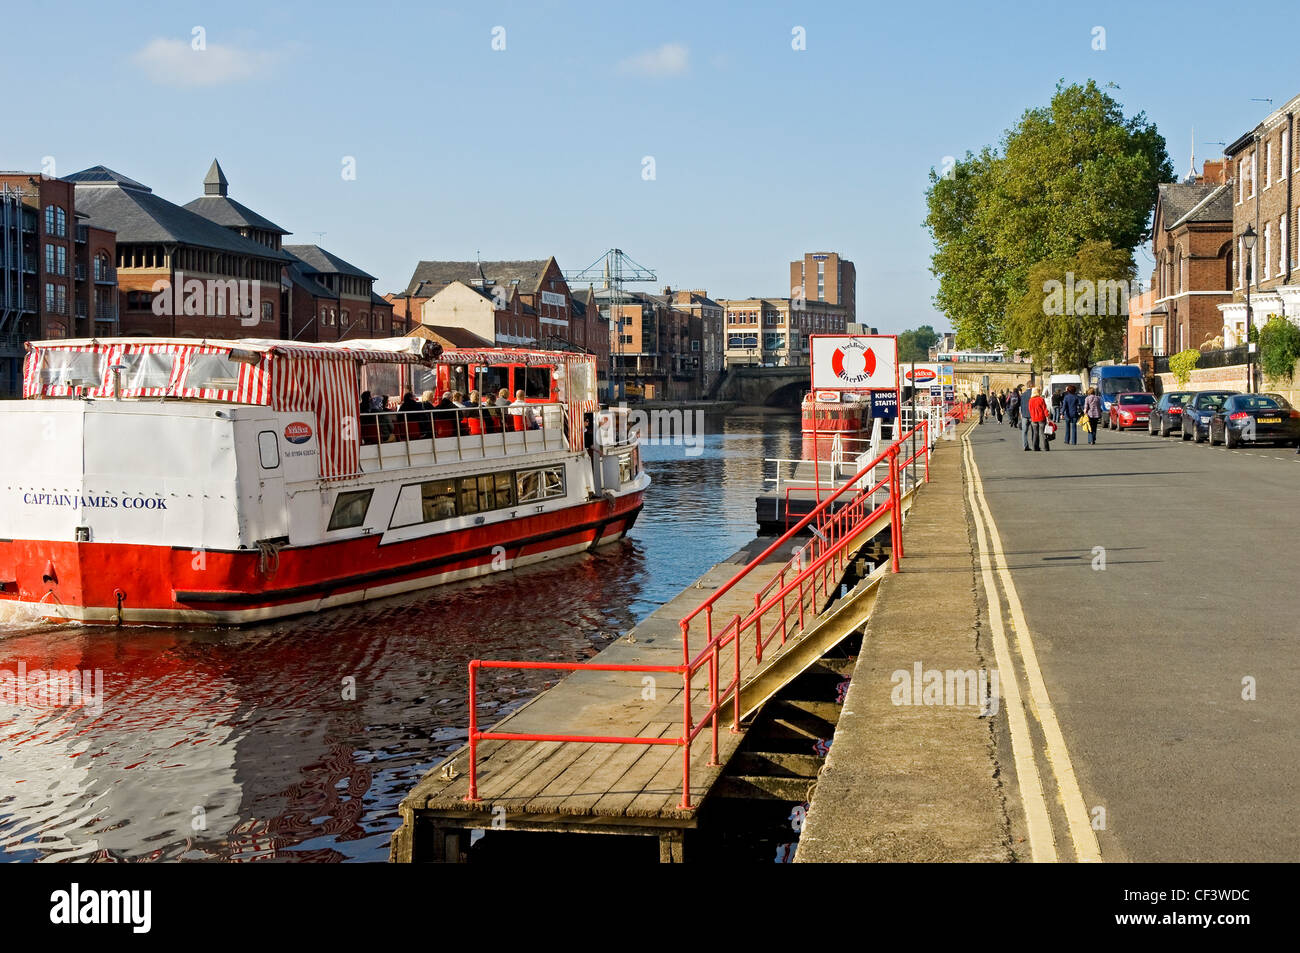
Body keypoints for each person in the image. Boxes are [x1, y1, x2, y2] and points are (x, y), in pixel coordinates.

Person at [1026, 386, 1049, 451]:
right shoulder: (1041, 399)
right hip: (1041, 418)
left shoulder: (1030, 400)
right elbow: (1044, 409)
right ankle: (1046, 447)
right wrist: (1047, 416)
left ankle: (1035, 447)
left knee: (1035, 434)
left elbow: (1030, 409)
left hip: (1034, 418)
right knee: (1043, 433)